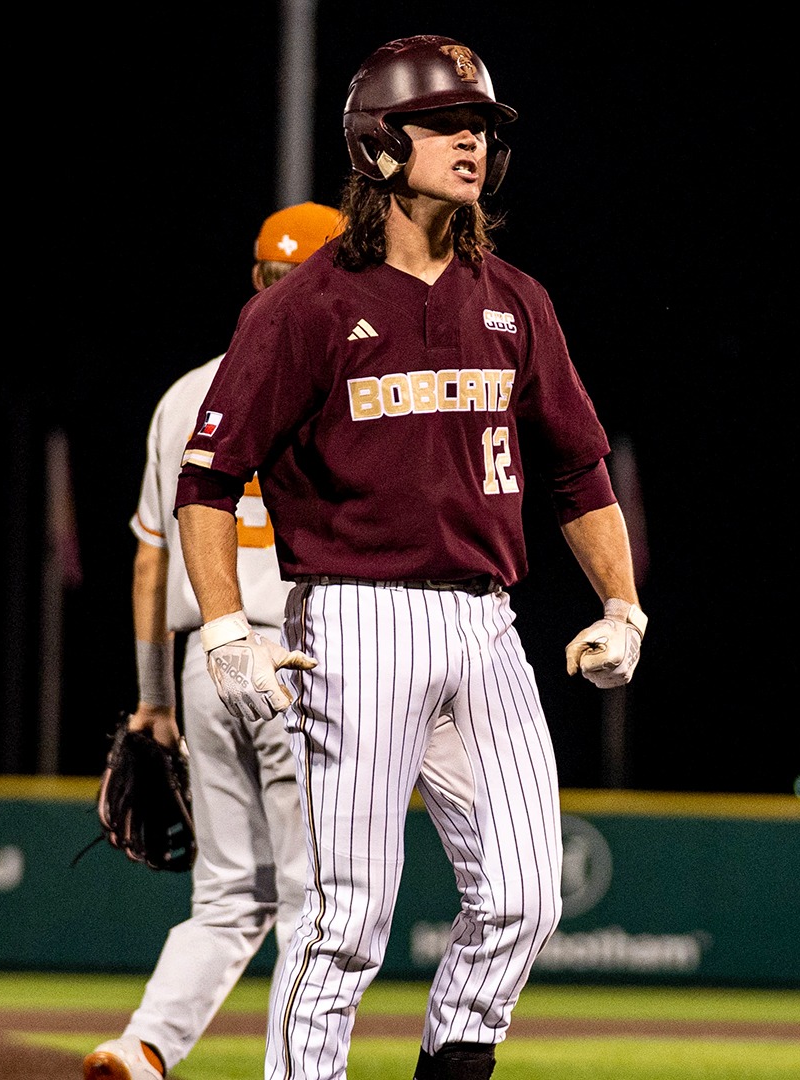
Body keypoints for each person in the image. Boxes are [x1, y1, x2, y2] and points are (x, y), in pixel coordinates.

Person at [173, 35, 649, 1080]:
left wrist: (622, 604)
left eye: (481, 126)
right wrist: (223, 628)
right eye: (447, 124)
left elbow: (577, 470)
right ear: (381, 144)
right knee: (347, 915)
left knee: (528, 895)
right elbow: (206, 481)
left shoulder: (515, 298)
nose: (474, 142)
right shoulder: (305, 306)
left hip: (486, 620)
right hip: (353, 615)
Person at [84, 201, 347, 1080]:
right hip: (303, 656)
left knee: (231, 892)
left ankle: (145, 1044)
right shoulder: (347, 384)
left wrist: (154, 699)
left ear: (254, 282)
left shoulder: (184, 396)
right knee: (320, 897)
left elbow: (150, 570)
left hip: (205, 660)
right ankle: (298, 1069)